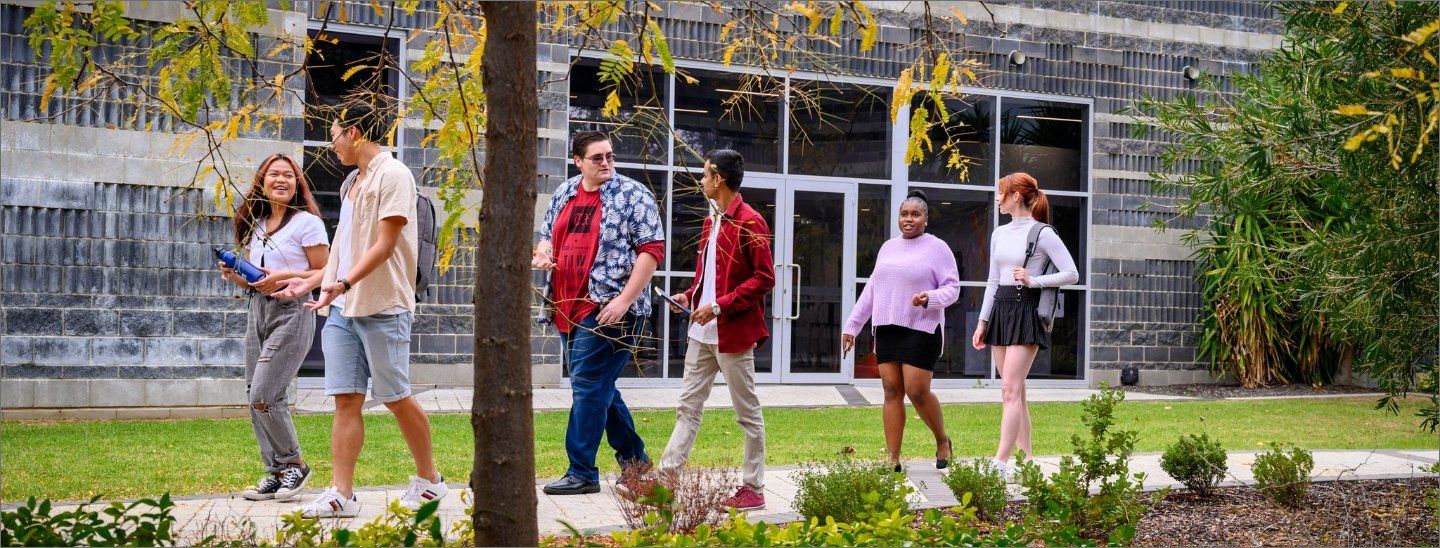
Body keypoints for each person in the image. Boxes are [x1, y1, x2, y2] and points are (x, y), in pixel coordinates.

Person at [280, 97, 447, 517]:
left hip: (382, 303)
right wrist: (315, 280)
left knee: (395, 395)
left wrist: (344, 282)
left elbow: (386, 244)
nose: (332, 143)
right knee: (345, 399)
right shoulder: (351, 181)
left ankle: (431, 480)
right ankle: (342, 494)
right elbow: (345, 244)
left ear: (354, 132)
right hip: (342, 307)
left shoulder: (394, 175)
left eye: (334, 134)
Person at [532, 130, 665, 495]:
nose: (605, 163)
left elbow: (651, 251)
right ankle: (636, 462)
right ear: (578, 161)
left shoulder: (633, 195)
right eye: (597, 158)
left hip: (610, 310)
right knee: (598, 387)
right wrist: (543, 252)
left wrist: (623, 300)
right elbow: (546, 235)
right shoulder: (565, 192)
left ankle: (582, 472)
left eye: (609, 156)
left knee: (588, 385)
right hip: (566, 307)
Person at [659, 149, 775, 510]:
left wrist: (720, 306)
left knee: (747, 412)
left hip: (732, 334)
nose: (701, 180)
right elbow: (710, 278)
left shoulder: (751, 222)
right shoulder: (713, 221)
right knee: (687, 406)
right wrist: (691, 295)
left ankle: (753, 488)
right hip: (701, 333)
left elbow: (765, 278)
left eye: (705, 174)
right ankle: (665, 482)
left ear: (718, 178)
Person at [219, 153, 328, 502]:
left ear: (297, 184)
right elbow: (256, 282)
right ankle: (277, 472)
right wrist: (236, 275)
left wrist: (284, 277)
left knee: (264, 395)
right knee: (256, 397)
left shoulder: (307, 223)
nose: (281, 180)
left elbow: (323, 272)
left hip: (292, 310)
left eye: (288, 175)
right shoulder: (258, 223)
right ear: (261, 182)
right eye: (273, 175)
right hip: (258, 311)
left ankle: (294, 463)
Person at [842, 189, 961, 472]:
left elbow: (952, 288)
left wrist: (929, 298)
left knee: (917, 391)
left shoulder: (937, 248)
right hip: (887, 328)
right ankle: (892, 458)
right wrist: (852, 325)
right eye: (904, 214)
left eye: (915, 214)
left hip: (921, 326)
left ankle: (942, 440)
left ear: (926, 219)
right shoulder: (888, 247)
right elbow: (873, 289)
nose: (909, 219)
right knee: (891, 390)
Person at [971, 172, 1078, 481]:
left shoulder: (1042, 233)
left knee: (1009, 389)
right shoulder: (998, 234)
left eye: (1000, 193)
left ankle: (1000, 461)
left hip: (1025, 309)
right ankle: (1027, 459)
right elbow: (992, 281)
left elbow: (1071, 273)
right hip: (1001, 311)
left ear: (1015, 196)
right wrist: (982, 321)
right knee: (1017, 392)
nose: (996, 198)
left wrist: (1034, 280)